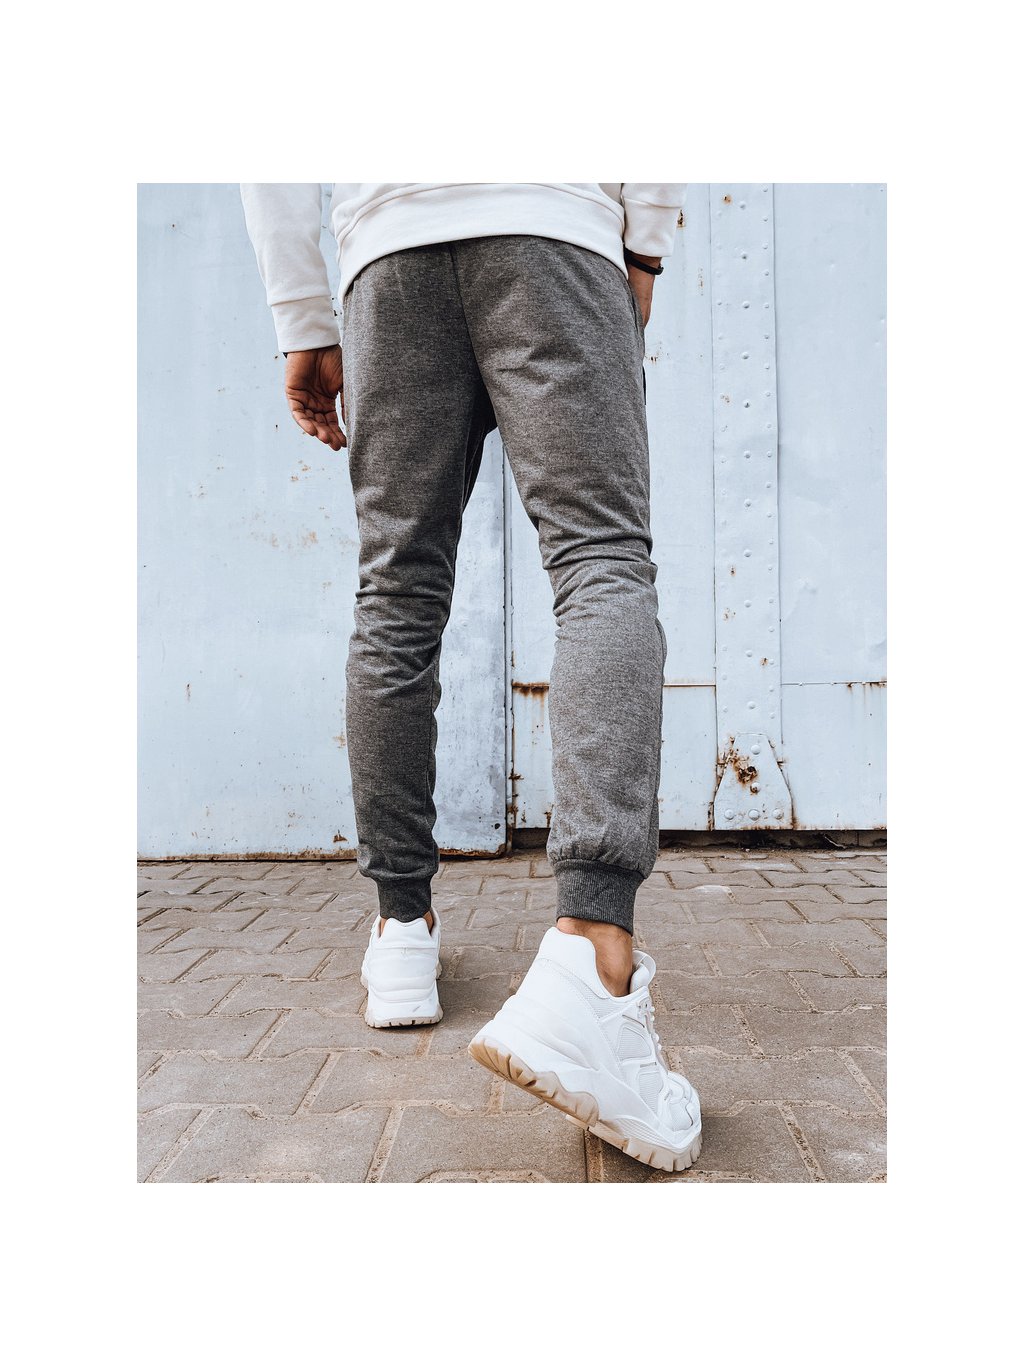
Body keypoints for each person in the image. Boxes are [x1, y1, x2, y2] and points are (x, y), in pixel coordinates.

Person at [240, 182, 701, 1172]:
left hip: (390, 246)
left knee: (396, 593)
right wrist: (644, 245)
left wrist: (304, 316)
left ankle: (402, 930)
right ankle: (591, 957)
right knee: (599, 561)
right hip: (551, 223)